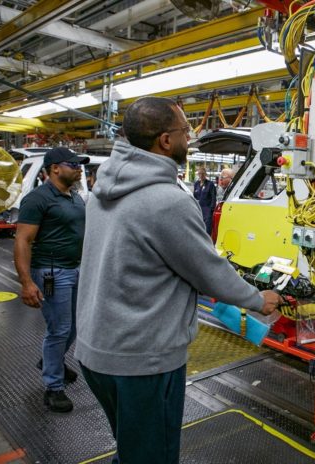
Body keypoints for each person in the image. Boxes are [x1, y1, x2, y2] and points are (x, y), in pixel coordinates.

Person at [75, 96, 281, 464]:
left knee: (130, 448)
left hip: (97, 351)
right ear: (165, 141)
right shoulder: (167, 200)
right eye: (185, 130)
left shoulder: (102, 190)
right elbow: (208, 271)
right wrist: (257, 299)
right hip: (142, 359)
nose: (190, 137)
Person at [14, 147, 89, 413]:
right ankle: (53, 388)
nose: (79, 168)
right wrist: (26, 283)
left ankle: (50, 361)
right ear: (55, 168)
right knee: (59, 329)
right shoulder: (38, 199)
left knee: (72, 329)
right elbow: (23, 240)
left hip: (75, 269)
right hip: (50, 273)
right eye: (74, 164)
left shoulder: (75, 197)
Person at [193, 167, 216, 233]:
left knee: (207, 229)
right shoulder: (196, 184)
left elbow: (213, 197)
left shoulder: (210, 184)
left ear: (205, 174)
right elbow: (194, 196)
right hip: (198, 209)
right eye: (200, 174)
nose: (201, 175)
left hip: (207, 209)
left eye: (203, 174)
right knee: (199, 228)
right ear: (198, 174)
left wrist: (211, 209)